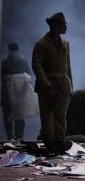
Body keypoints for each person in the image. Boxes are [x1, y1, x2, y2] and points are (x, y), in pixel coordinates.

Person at [32, 12, 73, 155]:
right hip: (47, 87)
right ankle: (49, 145)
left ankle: (59, 143)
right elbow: (37, 65)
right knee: (47, 118)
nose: (66, 27)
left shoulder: (65, 44)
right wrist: (45, 83)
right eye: (63, 25)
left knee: (61, 116)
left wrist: (70, 85)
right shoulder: (42, 44)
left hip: (62, 85)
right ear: (55, 26)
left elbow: (68, 66)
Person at [1, 42, 32, 140]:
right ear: (9, 52)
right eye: (12, 52)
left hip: (20, 94)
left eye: (15, 51)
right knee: (7, 117)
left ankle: (19, 138)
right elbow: (1, 78)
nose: (14, 53)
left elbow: (30, 75)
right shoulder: (4, 63)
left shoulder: (23, 62)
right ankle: (10, 137)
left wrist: (24, 79)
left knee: (20, 118)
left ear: (18, 51)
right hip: (7, 94)